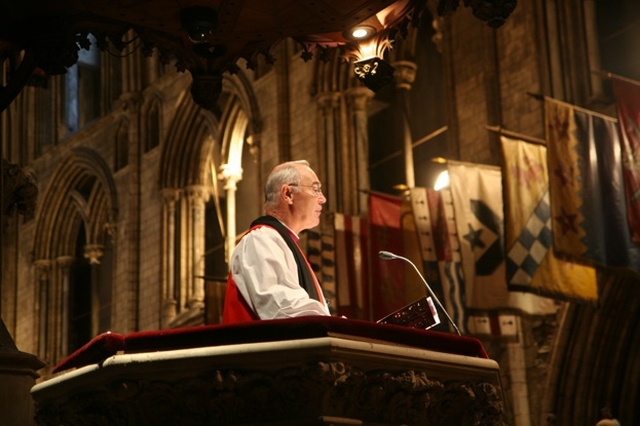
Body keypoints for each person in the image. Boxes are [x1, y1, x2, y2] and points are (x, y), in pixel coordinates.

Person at [222, 160, 331, 323]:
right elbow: (285, 311)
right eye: (315, 189)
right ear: (288, 194)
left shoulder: (284, 243)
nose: (323, 199)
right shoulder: (260, 240)